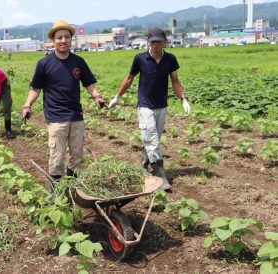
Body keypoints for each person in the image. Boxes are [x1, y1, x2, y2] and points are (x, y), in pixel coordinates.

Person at [21, 19, 105, 182]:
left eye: (66, 37)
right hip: (56, 117)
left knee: (77, 157)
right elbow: (35, 88)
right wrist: (27, 105)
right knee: (57, 157)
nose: (63, 40)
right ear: (53, 41)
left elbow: (89, 84)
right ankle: (56, 193)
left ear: (71, 40)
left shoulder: (78, 62)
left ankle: (74, 188)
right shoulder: (44, 63)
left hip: (76, 116)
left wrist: (97, 97)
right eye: (59, 37)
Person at [108, 28, 191, 192]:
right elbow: (129, 78)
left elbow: (175, 80)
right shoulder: (140, 58)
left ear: (165, 42)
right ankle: (160, 174)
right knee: (152, 140)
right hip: (145, 105)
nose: (155, 45)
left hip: (162, 106)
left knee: (154, 139)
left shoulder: (170, 59)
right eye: (152, 41)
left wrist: (184, 99)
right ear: (149, 42)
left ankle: (144, 165)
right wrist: (117, 98)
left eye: (159, 41)